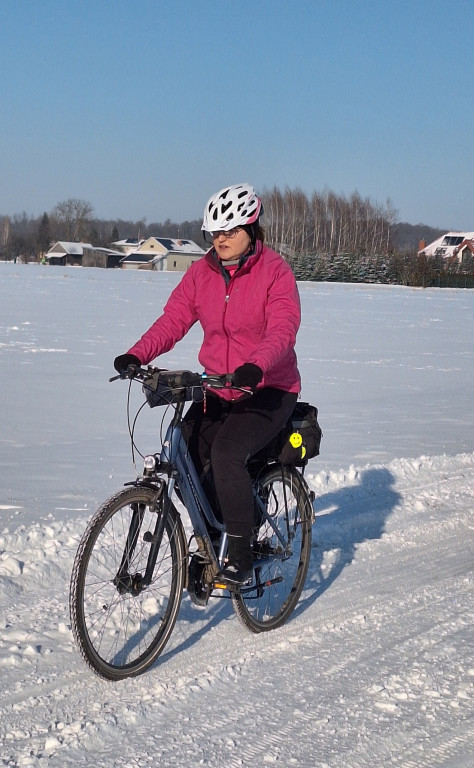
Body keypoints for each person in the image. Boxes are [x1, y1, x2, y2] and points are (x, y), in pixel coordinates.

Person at [114, 183, 301, 586]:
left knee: (228, 450)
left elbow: (283, 329)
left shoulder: (275, 272)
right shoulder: (202, 274)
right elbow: (174, 319)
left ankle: (240, 547)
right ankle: (213, 533)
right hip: (219, 387)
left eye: (230, 231)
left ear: (252, 229)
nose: (221, 240)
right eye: (214, 233)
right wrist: (138, 354)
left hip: (268, 387)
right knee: (184, 449)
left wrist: (257, 364)